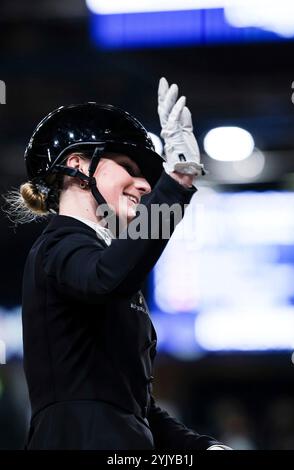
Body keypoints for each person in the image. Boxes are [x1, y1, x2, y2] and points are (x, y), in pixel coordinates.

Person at [7, 77, 230, 449]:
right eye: (128, 165)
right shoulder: (58, 246)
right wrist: (176, 183)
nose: (144, 185)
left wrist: (205, 448)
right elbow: (106, 277)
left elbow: (133, 410)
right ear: (77, 166)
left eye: (148, 176)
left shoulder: (109, 265)